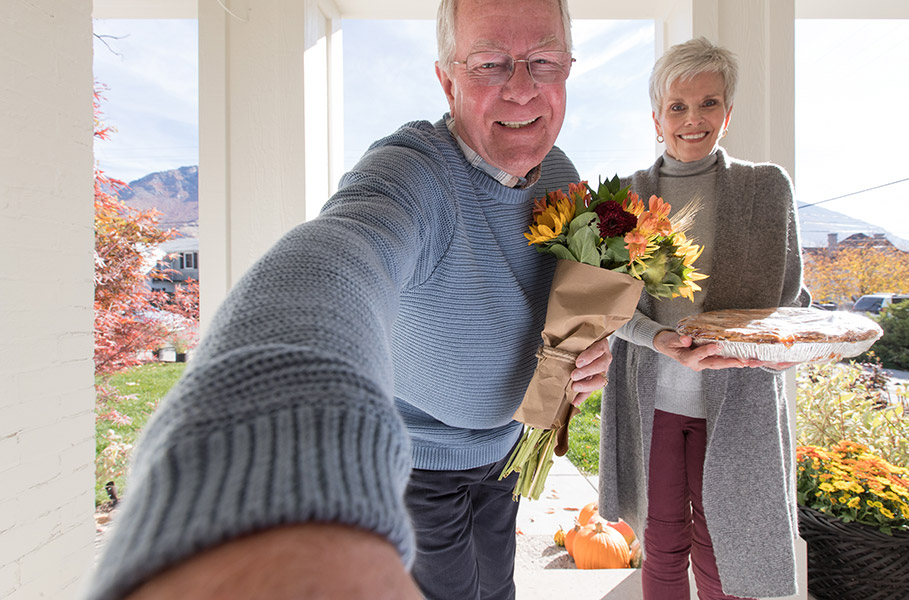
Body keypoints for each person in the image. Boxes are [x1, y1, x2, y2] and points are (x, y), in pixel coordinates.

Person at [83, 1, 612, 599]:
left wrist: (587, 347)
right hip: (419, 466)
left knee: (497, 591)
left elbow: (555, 295)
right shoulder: (415, 171)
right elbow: (343, 253)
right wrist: (260, 462)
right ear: (446, 78)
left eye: (543, 60)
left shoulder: (562, 172)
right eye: (490, 63)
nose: (521, 88)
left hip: (506, 455)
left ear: (568, 68)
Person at [598, 38, 811, 600]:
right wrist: (658, 337)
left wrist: (782, 346)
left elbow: (794, 301)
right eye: (677, 106)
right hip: (657, 402)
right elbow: (605, 305)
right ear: (656, 118)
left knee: (727, 550)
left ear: (728, 112)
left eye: (709, 103)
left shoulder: (767, 189)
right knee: (663, 547)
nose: (693, 120)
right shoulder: (624, 200)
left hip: (739, 401)